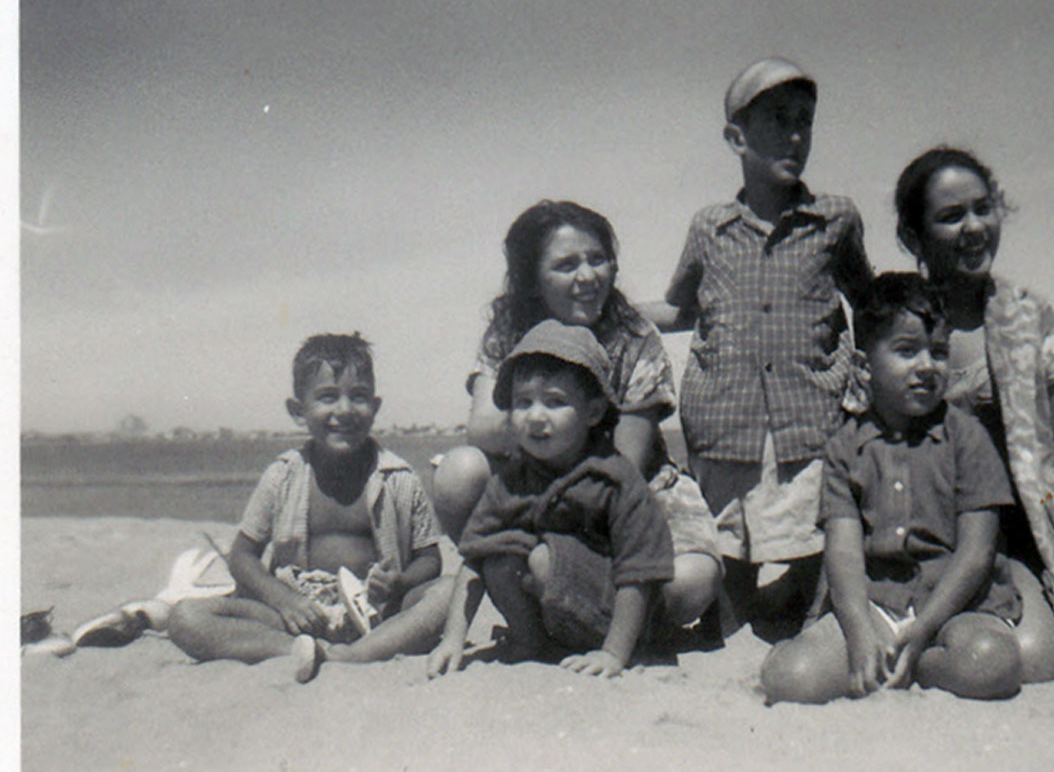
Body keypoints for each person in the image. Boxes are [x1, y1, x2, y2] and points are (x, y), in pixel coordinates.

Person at [646, 56, 874, 634]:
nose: (796, 136)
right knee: (727, 586)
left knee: (817, 563)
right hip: (726, 423)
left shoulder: (835, 220)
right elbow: (680, 308)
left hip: (811, 423)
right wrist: (607, 310)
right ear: (736, 138)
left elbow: (871, 304)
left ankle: (806, 613)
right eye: (778, 120)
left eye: (805, 121)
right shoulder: (710, 228)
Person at [891, 146, 1054, 677]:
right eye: (951, 216)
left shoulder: (1037, 322)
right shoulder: (892, 324)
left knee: (1042, 662)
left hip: (1014, 541)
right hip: (918, 538)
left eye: (983, 209)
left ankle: (934, 655)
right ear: (914, 236)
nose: (974, 227)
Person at [430, 200, 720, 632]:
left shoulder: (634, 336)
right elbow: (484, 426)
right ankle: (537, 618)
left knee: (692, 582)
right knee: (459, 472)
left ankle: (593, 616)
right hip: (536, 484)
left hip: (627, 491)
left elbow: (625, 462)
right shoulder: (508, 332)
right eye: (566, 265)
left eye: (597, 260)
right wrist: (557, 424)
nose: (587, 276)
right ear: (532, 280)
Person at [760, 274, 1024, 704]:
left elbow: (977, 554)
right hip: (878, 604)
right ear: (864, 367)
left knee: (991, 662)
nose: (927, 366)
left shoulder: (968, 438)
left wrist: (923, 629)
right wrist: (860, 635)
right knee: (789, 677)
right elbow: (844, 554)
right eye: (907, 351)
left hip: (957, 607)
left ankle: (922, 666)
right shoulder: (845, 447)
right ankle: (894, 660)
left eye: (938, 352)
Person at [167, 333, 452, 683]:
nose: (344, 410)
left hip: (378, 614)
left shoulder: (399, 478)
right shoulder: (282, 476)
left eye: (358, 396)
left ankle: (351, 655)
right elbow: (242, 556)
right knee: (185, 618)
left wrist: (400, 582)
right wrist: (283, 599)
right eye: (328, 397)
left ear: (375, 407)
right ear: (298, 411)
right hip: (297, 616)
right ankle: (297, 650)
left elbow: (430, 558)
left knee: (450, 590)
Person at [429, 320, 675, 678]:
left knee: (543, 559)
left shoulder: (614, 479)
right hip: (557, 609)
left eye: (555, 402)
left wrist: (614, 653)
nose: (535, 417)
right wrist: (453, 639)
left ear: (593, 412)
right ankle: (532, 644)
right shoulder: (511, 480)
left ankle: (600, 647)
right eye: (523, 402)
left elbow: (639, 573)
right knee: (497, 558)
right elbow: (473, 558)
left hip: (619, 618)